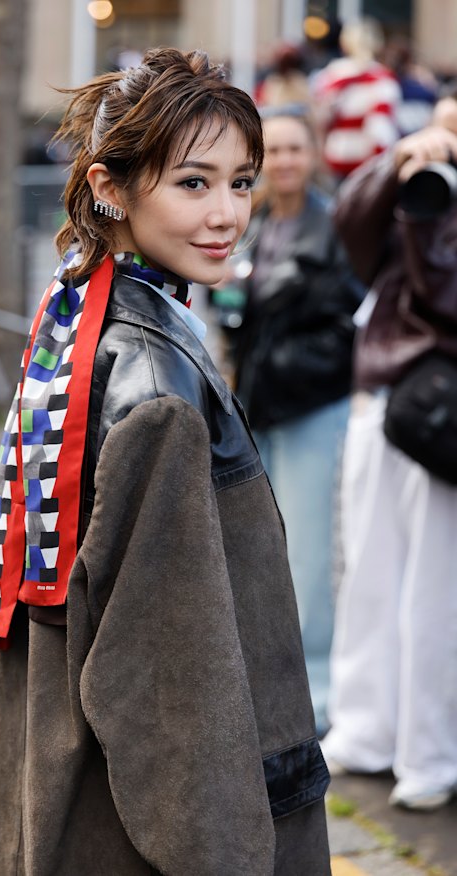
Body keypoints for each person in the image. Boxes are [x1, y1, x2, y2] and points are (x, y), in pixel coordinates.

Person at [0, 48, 331, 874]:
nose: (227, 212)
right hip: (148, 829)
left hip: (73, 786)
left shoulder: (84, 325)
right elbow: (168, 687)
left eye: (242, 181)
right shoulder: (156, 388)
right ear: (110, 188)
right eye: (193, 183)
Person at [321, 96, 457, 810]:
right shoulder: (421, 169)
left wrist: (431, 213)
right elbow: (349, 226)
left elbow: (442, 296)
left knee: (435, 592)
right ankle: (368, 731)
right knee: (373, 576)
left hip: (438, 411)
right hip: (386, 400)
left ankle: (427, 755)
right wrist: (401, 158)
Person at [235, 108, 362, 739]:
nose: (283, 161)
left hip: (311, 403)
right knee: (269, 549)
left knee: (310, 556)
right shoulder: (254, 223)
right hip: (261, 404)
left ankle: (319, 694)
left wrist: (290, 362)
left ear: (312, 155)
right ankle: (275, 679)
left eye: (293, 150)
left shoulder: (335, 224)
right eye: (273, 151)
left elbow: (351, 322)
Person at [312, 17, 401, 179]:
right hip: (368, 162)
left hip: (336, 155)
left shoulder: (330, 75)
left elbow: (321, 118)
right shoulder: (382, 78)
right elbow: (381, 129)